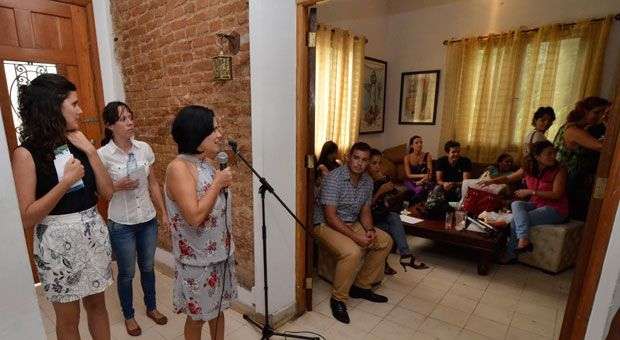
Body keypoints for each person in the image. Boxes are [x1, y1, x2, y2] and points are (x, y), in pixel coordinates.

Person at [12, 74, 114, 339]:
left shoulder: (79, 142)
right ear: (54, 107)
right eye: (74, 104)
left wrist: (91, 153)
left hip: (92, 232)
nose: (81, 110)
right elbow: (25, 218)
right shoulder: (26, 153)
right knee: (69, 318)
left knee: (98, 306)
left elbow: (108, 193)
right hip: (56, 241)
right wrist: (65, 182)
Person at [165, 105, 237, 340]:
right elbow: (194, 217)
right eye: (213, 129)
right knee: (197, 317)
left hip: (219, 254)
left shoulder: (205, 163)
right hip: (198, 261)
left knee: (217, 311)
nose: (220, 134)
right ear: (197, 135)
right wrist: (217, 184)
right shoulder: (178, 168)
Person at [97, 102, 168, 336]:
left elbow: (153, 183)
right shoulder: (102, 155)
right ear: (110, 125)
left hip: (147, 219)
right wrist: (116, 186)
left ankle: (152, 307)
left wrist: (164, 213)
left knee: (148, 267)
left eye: (130, 117)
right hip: (121, 224)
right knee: (127, 273)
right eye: (122, 119)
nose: (130, 122)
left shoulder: (144, 148)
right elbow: (100, 193)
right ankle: (128, 316)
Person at [313, 142, 392, 324]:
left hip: (351, 221)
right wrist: (357, 237)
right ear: (349, 157)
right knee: (352, 252)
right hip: (324, 224)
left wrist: (370, 230)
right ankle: (338, 299)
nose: (359, 163)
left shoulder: (368, 181)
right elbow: (330, 217)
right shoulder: (334, 178)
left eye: (365, 160)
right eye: (356, 158)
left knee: (385, 240)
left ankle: (361, 286)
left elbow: (365, 211)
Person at [482, 141, 568, 263]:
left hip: (555, 209)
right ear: (537, 157)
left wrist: (531, 192)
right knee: (516, 204)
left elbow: (557, 194)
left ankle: (512, 253)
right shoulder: (528, 168)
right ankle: (523, 240)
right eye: (549, 153)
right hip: (537, 204)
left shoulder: (560, 170)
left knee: (515, 220)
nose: (553, 156)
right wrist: (491, 181)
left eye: (554, 153)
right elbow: (508, 178)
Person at [369, 148, 427, 274]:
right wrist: (380, 192)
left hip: (380, 214)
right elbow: (365, 208)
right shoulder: (364, 181)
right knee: (391, 226)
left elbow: (393, 193)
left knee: (394, 216)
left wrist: (384, 181)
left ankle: (405, 255)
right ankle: (392, 261)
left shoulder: (379, 178)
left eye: (379, 163)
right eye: (374, 163)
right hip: (368, 219)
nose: (378, 166)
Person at [553, 96, 611, 219]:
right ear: (585, 111)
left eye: (603, 113)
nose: (600, 116)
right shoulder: (573, 130)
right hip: (567, 182)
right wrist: (608, 123)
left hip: (572, 180)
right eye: (597, 112)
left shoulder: (581, 128)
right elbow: (602, 147)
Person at [403, 135, 434, 201]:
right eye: (416, 143)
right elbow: (408, 175)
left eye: (421, 142)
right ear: (411, 145)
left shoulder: (427, 155)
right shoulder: (407, 157)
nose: (420, 144)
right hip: (411, 181)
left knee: (426, 187)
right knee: (416, 189)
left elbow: (430, 174)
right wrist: (422, 176)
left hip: (424, 181)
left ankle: (412, 203)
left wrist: (421, 181)